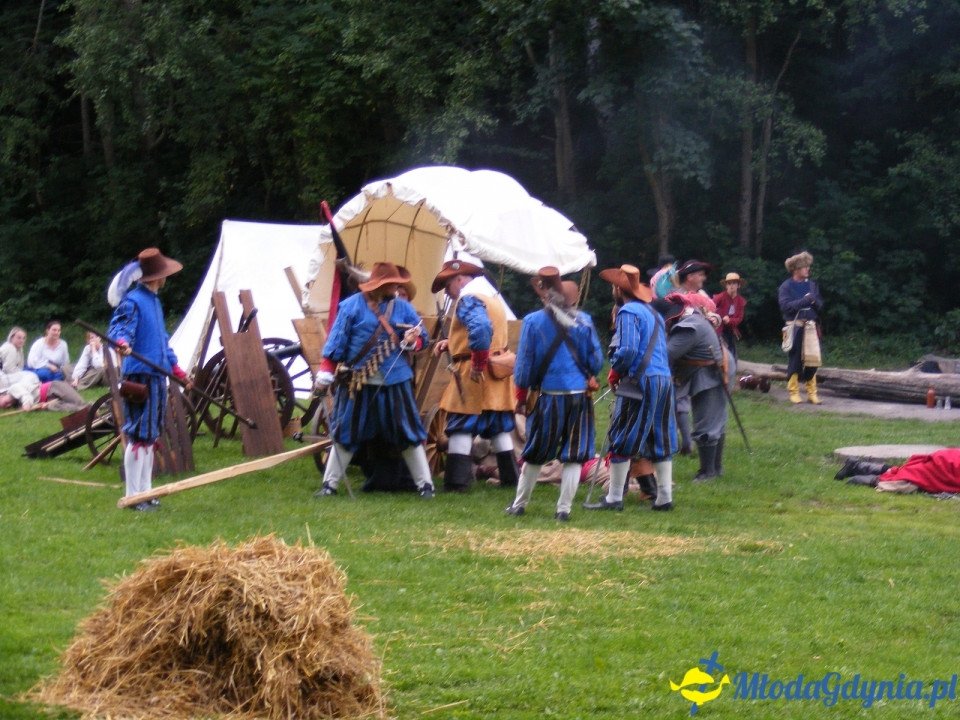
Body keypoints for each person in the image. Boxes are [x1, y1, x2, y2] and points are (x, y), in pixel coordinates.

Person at [314, 262, 435, 499]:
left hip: (396, 382)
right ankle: (329, 485)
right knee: (346, 432)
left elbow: (423, 340)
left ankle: (426, 486)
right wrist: (325, 375)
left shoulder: (403, 308)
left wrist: (412, 340)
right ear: (378, 285)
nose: (395, 288)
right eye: (391, 284)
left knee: (409, 433)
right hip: (359, 382)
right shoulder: (350, 307)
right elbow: (335, 345)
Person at [505, 269, 604, 521]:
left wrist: (521, 396)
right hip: (579, 396)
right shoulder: (584, 320)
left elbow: (524, 365)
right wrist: (588, 373)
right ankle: (563, 510)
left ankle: (519, 505)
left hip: (549, 395)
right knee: (575, 454)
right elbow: (596, 360)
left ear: (545, 296)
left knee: (536, 450)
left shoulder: (533, 322)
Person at [584, 264, 677, 512]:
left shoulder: (627, 312)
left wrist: (617, 371)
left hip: (639, 380)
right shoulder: (654, 314)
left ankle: (614, 498)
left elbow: (628, 350)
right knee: (660, 438)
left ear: (618, 288)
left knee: (622, 437)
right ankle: (664, 498)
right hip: (663, 379)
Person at [108, 248, 190, 512]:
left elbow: (162, 340)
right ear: (158, 277)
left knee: (150, 436)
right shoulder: (133, 301)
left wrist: (175, 368)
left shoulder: (154, 301)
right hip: (139, 375)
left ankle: (146, 492)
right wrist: (121, 342)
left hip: (156, 374)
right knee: (138, 435)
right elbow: (119, 328)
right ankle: (134, 495)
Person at [431, 258, 519, 493]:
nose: (448, 294)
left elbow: (480, 330)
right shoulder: (491, 298)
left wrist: (478, 363)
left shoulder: (469, 297)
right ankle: (511, 479)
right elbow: (488, 332)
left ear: (459, 279)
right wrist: (453, 342)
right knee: (498, 426)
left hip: (476, 372)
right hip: (497, 372)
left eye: (448, 286)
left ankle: (456, 483)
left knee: (460, 425)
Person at [652, 296, 730, 483]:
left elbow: (666, 354)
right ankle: (715, 468)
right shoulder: (690, 321)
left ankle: (708, 472)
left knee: (708, 420)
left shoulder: (688, 328)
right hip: (707, 369)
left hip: (710, 373)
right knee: (714, 419)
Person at [778, 251, 824, 404]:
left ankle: (812, 393)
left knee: (813, 361)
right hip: (794, 327)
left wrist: (813, 301)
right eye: (804, 267)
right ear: (795, 269)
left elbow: (819, 305)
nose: (807, 270)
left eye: (808, 267)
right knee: (795, 359)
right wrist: (805, 301)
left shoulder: (811, 285)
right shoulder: (786, 286)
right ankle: (794, 391)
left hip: (810, 327)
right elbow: (786, 307)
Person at [834, 450, 960, 494]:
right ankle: (865, 479)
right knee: (910, 482)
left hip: (946, 460)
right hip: (943, 465)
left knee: (903, 472)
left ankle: (858, 465)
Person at [712, 272, 747, 362]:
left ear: (738, 285)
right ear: (726, 286)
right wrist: (716, 317)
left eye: (734, 283)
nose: (731, 286)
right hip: (718, 330)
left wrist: (730, 320)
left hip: (730, 331)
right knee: (721, 355)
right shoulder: (720, 297)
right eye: (729, 283)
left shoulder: (740, 301)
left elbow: (739, 318)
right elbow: (710, 307)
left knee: (732, 357)